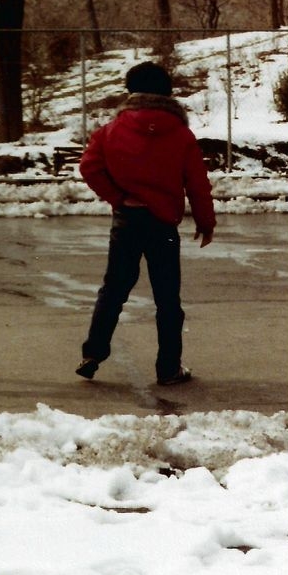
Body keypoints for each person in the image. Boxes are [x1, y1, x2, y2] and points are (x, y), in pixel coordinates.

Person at [76, 60, 215, 386]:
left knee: (113, 290)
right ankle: (168, 368)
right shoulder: (181, 134)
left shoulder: (111, 130)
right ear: (166, 93)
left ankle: (92, 354)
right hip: (163, 224)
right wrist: (205, 222)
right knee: (168, 299)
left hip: (127, 221)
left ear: (131, 91)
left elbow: (89, 167)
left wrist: (118, 197)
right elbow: (197, 182)